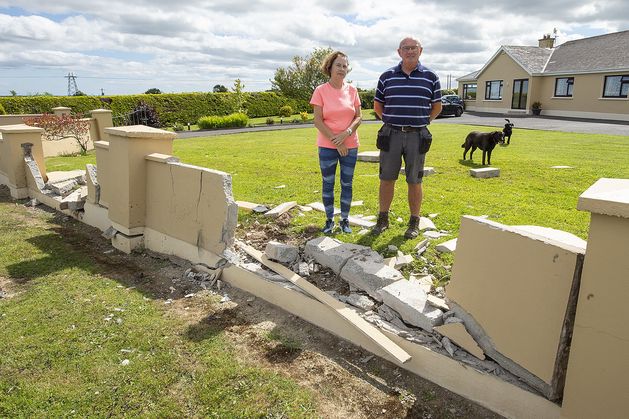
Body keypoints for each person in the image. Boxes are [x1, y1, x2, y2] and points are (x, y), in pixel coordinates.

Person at [372, 37, 442, 239]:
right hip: (390, 134)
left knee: (414, 180)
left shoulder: (431, 77)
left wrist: (421, 121)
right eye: (406, 48)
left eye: (413, 48)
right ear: (399, 51)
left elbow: (437, 107)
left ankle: (414, 222)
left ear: (420, 51)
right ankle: (383, 219)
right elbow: (378, 106)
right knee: (386, 179)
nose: (410, 51)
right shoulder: (386, 76)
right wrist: (391, 121)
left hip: (417, 136)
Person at [310, 51, 362, 234]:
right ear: (329, 67)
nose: (341, 69)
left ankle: (345, 220)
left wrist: (347, 133)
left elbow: (358, 117)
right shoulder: (320, 90)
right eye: (338, 65)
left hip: (350, 145)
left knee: (347, 183)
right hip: (327, 147)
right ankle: (329, 220)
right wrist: (337, 142)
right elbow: (317, 121)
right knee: (328, 183)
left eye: (344, 65)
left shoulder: (353, 90)